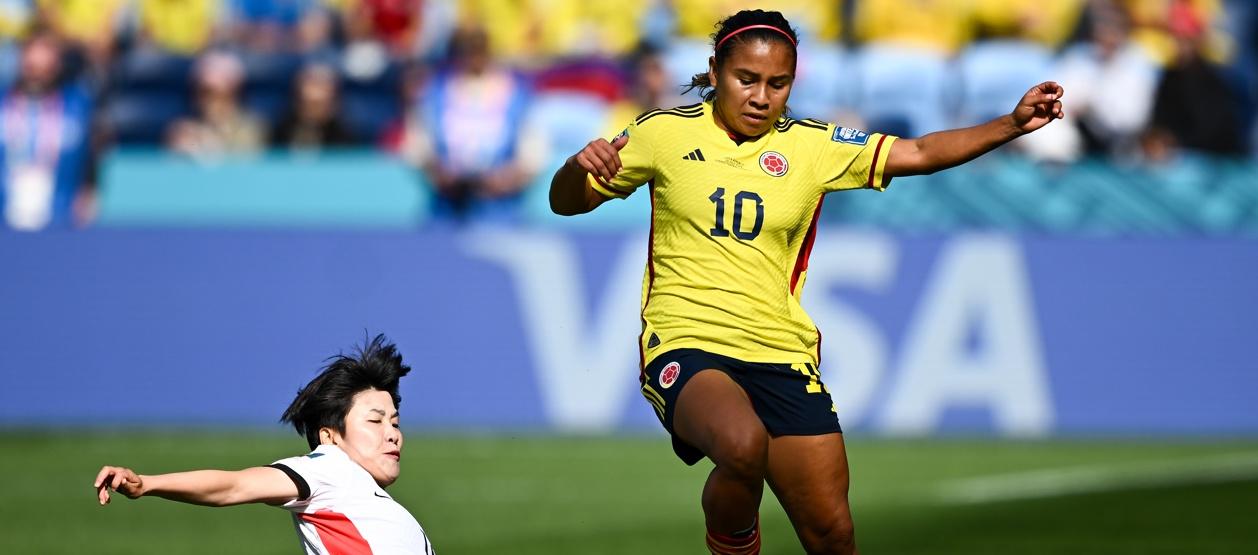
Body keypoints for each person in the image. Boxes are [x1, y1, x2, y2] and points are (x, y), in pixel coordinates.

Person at [549, 9, 1064, 555]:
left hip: (781, 350)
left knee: (832, 535)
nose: (761, 96)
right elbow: (566, 202)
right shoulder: (664, 133)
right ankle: (735, 540)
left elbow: (918, 152)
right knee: (741, 446)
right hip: (686, 340)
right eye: (746, 79)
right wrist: (577, 168)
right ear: (715, 71)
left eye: (778, 83)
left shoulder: (813, 144)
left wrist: (1011, 123)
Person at [93, 334, 436, 555]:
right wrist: (148, 484)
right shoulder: (328, 468)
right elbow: (234, 486)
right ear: (329, 436)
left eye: (395, 422)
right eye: (375, 421)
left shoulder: (365, 498)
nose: (392, 433)